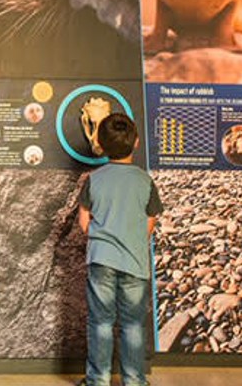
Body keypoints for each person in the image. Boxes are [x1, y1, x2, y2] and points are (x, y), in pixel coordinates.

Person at [77, 113, 163, 386]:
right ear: (136, 142)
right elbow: (151, 220)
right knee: (133, 325)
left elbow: (84, 222)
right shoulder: (145, 181)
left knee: (100, 322)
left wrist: (102, 238)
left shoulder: (93, 179)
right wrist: (132, 239)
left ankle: (98, 380)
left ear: (100, 145)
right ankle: (134, 380)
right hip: (135, 262)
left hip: (101, 260)